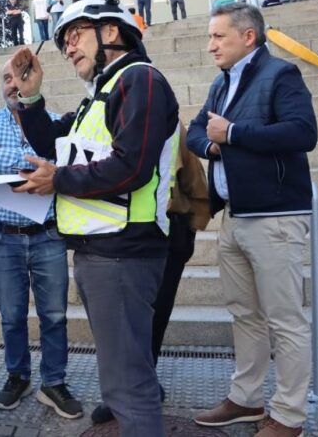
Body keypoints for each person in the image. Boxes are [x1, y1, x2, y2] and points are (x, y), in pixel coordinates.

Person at [10, 0, 180, 437]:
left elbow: (132, 166)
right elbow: (53, 141)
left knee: (128, 385)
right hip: (102, 251)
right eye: (64, 41)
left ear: (110, 32)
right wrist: (31, 97)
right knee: (121, 378)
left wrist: (58, 180)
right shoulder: (103, 92)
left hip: (124, 253)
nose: (69, 48)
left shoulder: (138, 81)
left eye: (76, 35)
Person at [189, 3, 317, 437]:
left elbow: (304, 132)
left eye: (218, 37)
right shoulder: (221, 83)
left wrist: (234, 135)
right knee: (245, 314)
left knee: (285, 319)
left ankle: (289, 416)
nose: (210, 47)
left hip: (275, 216)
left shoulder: (281, 75)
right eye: (209, 38)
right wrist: (214, 146)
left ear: (248, 37)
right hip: (235, 216)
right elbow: (195, 131)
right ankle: (246, 399)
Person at [0, 60, 82, 419]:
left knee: (54, 314)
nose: (13, 84)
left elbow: (58, 156)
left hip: (47, 234)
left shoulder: (49, 121)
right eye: (7, 78)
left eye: (19, 77)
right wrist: (40, 162)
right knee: (11, 315)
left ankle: (53, 381)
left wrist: (45, 160)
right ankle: (17, 375)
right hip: (4, 238)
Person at [89, 121, 210, 425]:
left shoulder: (172, 129)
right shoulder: (108, 122)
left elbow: (196, 184)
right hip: (122, 233)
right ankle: (124, 389)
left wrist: (187, 235)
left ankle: (143, 382)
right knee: (124, 319)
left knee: (154, 315)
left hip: (168, 234)